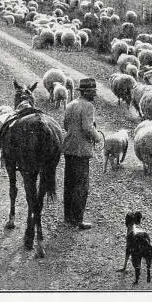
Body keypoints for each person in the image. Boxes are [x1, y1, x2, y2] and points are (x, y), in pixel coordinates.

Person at [62, 77, 101, 230]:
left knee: (69, 184)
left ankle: (68, 218)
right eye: (92, 92)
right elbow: (87, 128)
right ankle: (77, 220)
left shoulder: (71, 104)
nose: (95, 95)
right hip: (81, 151)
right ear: (85, 92)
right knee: (81, 186)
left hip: (69, 148)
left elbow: (65, 125)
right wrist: (97, 137)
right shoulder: (88, 106)